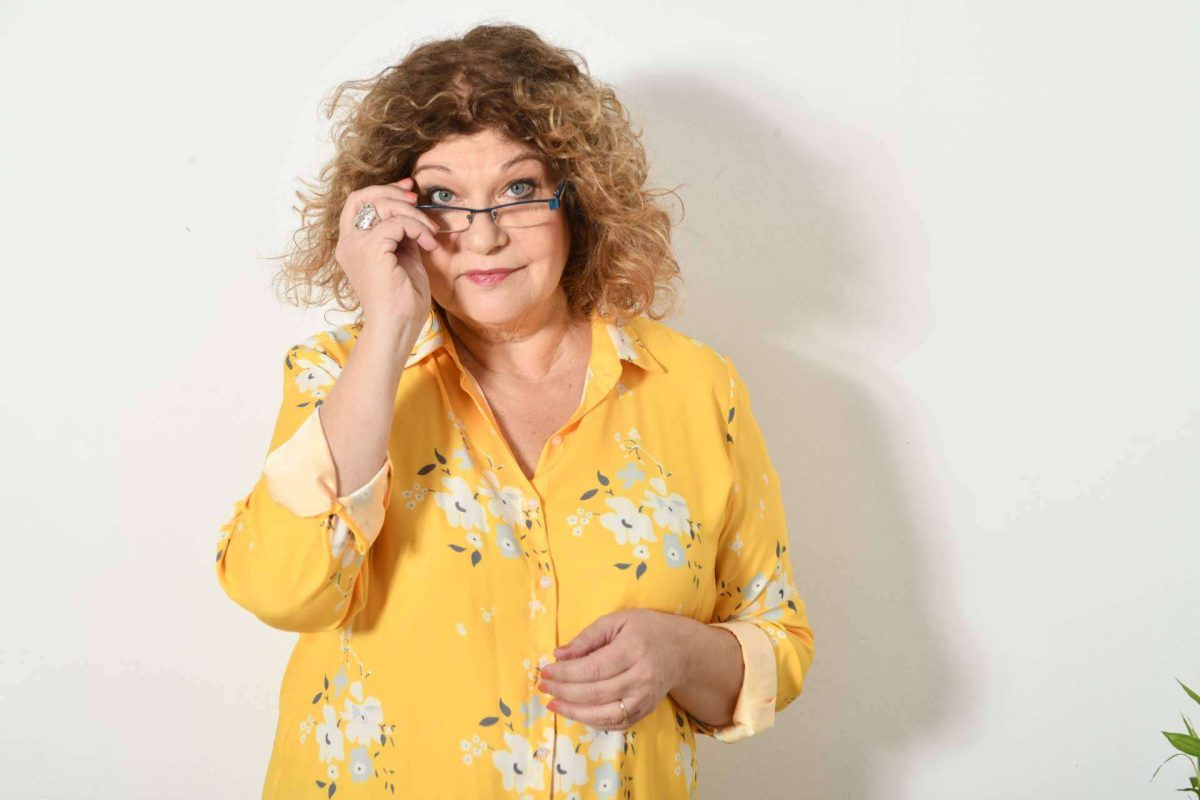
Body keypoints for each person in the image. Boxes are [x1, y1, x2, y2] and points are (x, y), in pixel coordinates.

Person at [215, 22, 815, 799]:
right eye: (442, 199)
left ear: (577, 199)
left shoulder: (696, 386)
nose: (485, 236)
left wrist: (679, 652)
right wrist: (390, 325)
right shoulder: (339, 374)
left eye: (520, 190)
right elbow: (280, 588)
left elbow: (778, 645)